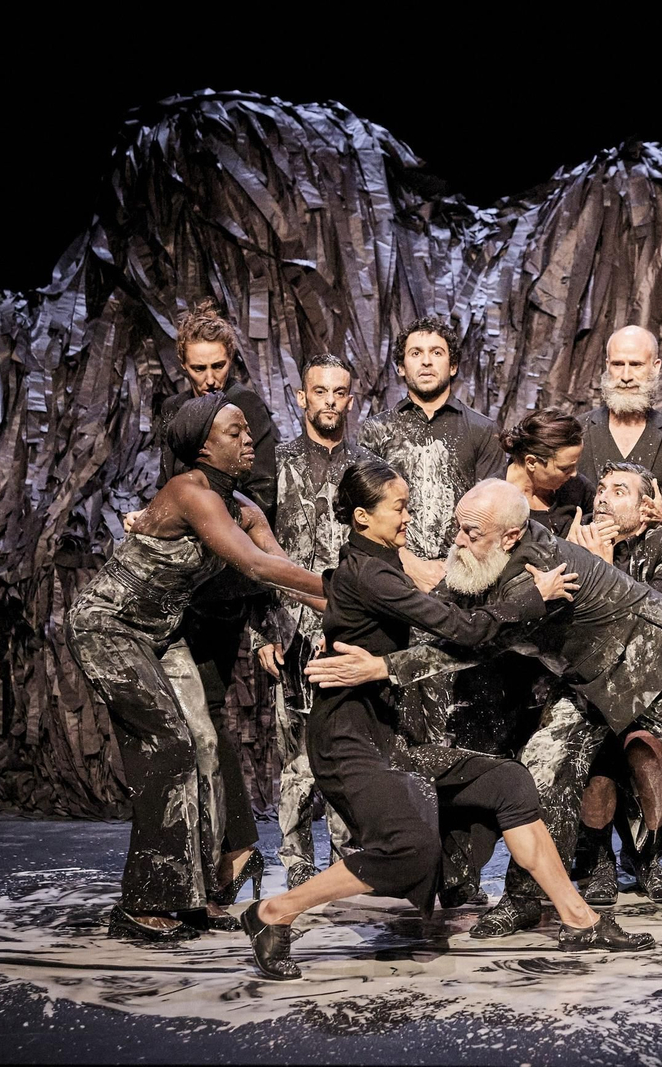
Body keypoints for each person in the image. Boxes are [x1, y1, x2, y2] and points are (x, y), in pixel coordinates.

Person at [305, 480, 662, 932]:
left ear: (511, 535)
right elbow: (449, 606)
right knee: (542, 769)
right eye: (457, 526)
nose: (458, 539)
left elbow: (472, 640)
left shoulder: (539, 574)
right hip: (589, 680)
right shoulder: (486, 560)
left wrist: (383, 668)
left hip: (653, 663)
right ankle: (527, 898)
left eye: (469, 532)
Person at [241, 466, 652, 980]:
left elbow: (391, 606)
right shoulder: (370, 573)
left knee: (507, 782)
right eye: (399, 507)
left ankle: (579, 918)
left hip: (382, 733)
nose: (409, 516)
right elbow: (462, 628)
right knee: (408, 850)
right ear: (364, 517)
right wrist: (533, 595)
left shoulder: (376, 566)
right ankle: (273, 913)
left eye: (408, 503)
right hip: (347, 739)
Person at [66, 394, 327, 943]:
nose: (248, 439)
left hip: (162, 632)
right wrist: (346, 592)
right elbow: (253, 563)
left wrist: (346, 606)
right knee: (169, 744)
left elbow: (277, 569)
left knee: (206, 745)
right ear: (202, 444)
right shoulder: (190, 492)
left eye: (247, 432)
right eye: (234, 433)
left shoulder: (244, 508)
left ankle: (203, 889)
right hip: (109, 625)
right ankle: (143, 902)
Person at [147, 300, 281, 909]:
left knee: (208, 710)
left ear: (232, 361)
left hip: (223, 585)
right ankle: (227, 846)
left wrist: (214, 516)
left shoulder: (247, 409)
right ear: (182, 365)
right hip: (180, 585)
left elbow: (261, 493)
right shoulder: (175, 411)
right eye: (198, 368)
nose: (210, 379)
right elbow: (174, 489)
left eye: (218, 366)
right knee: (193, 716)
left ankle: (237, 847)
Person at [250, 353, 360, 889]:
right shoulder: (276, 465)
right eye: (320, 392)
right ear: (302, 397)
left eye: (339, 392)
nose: (330, 402)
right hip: (289, 628)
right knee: (294, 755)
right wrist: (260, 635)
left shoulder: (366, 469)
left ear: (351, 399)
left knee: (346, 745)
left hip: (349, 628)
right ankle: (296, 862)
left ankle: (347, 859)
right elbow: (255, 556)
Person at [566, 462, 662, 906]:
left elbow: (659, 620)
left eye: (619, 491)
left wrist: (605, 569)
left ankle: (649, 859)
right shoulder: (570, 548)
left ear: (645, 506)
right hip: (590, 683)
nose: (602, 497)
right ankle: (599, 861)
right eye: (600, 489)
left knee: (647, 755)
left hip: (646, 681)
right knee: (596, 764)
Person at [359, 316, 506, 586]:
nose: (426, 361)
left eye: (436, 353)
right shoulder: (375, 430)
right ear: (401, 368)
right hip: (391, 576)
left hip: (465, 577)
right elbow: (365, 512)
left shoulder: (482, 430)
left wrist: (457, 566)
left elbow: (494, 513)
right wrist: (408, 563)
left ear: (453, 366)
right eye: (416, 353)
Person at [574, 325, 662, 490]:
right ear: (607, 365)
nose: (626, 376)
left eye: (636, 365)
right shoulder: (576, 432)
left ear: (655, 367)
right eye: (618, 364)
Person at [502, 408, 593, 535]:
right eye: (564, 468)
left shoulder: (577, 487)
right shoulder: (495, 501)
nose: (573, 474)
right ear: (531, 462)